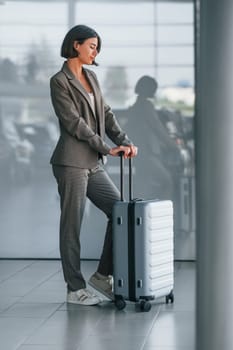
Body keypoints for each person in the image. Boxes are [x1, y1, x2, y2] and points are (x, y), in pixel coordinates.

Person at [50, 24, 137, 306]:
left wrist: (124, 141)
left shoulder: (92, 77)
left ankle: (102, 276)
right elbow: (74, 123)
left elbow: (106, 114)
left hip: (93, 163)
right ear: (75, 45)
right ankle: (74, 289)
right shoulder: (59, 81)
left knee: (120, 211)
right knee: (71, 225)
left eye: (97, 47)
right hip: (71, 162)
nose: (95, 51)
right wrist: (106, 148)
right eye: (91, 45)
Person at [123, 75, 181, 200]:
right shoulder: (145, 106)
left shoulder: (136, 106)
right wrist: (173, 145)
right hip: (147, 153)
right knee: (167, 182)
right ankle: (163, 213)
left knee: (143, 186)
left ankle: (145, 213)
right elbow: (157, 129)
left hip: (140, 153)